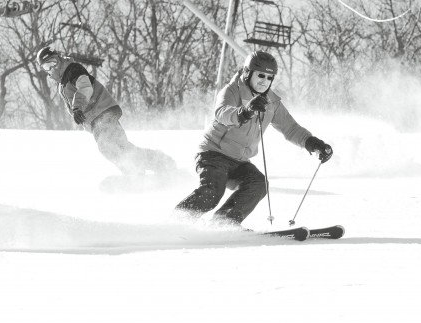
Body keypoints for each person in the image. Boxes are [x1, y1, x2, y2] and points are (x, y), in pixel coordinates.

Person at [175, 50, 333, 226]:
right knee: (212, 193)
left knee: (257, 184)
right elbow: (222, 113)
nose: (264, 81)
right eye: (260, 75)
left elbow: (290, 128)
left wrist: (312, 143)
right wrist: (246, 111)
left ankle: (223, 223)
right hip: (213, 154)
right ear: (247, 73)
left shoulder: (272, 102)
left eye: (269, 77)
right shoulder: (232, 90)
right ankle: (176, 222)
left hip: (239, 161)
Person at [35, 46, 176, 177]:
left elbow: (85, 87)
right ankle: (160, 163)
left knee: (106, 145)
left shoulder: (72, 70)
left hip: (102, 112)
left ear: (59, 57)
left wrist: (77, 107)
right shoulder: (62, 83)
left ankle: (134, 171)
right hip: (97, 118)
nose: (52, 67)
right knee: (122, 147)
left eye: (53, 62)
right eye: (47, 66)